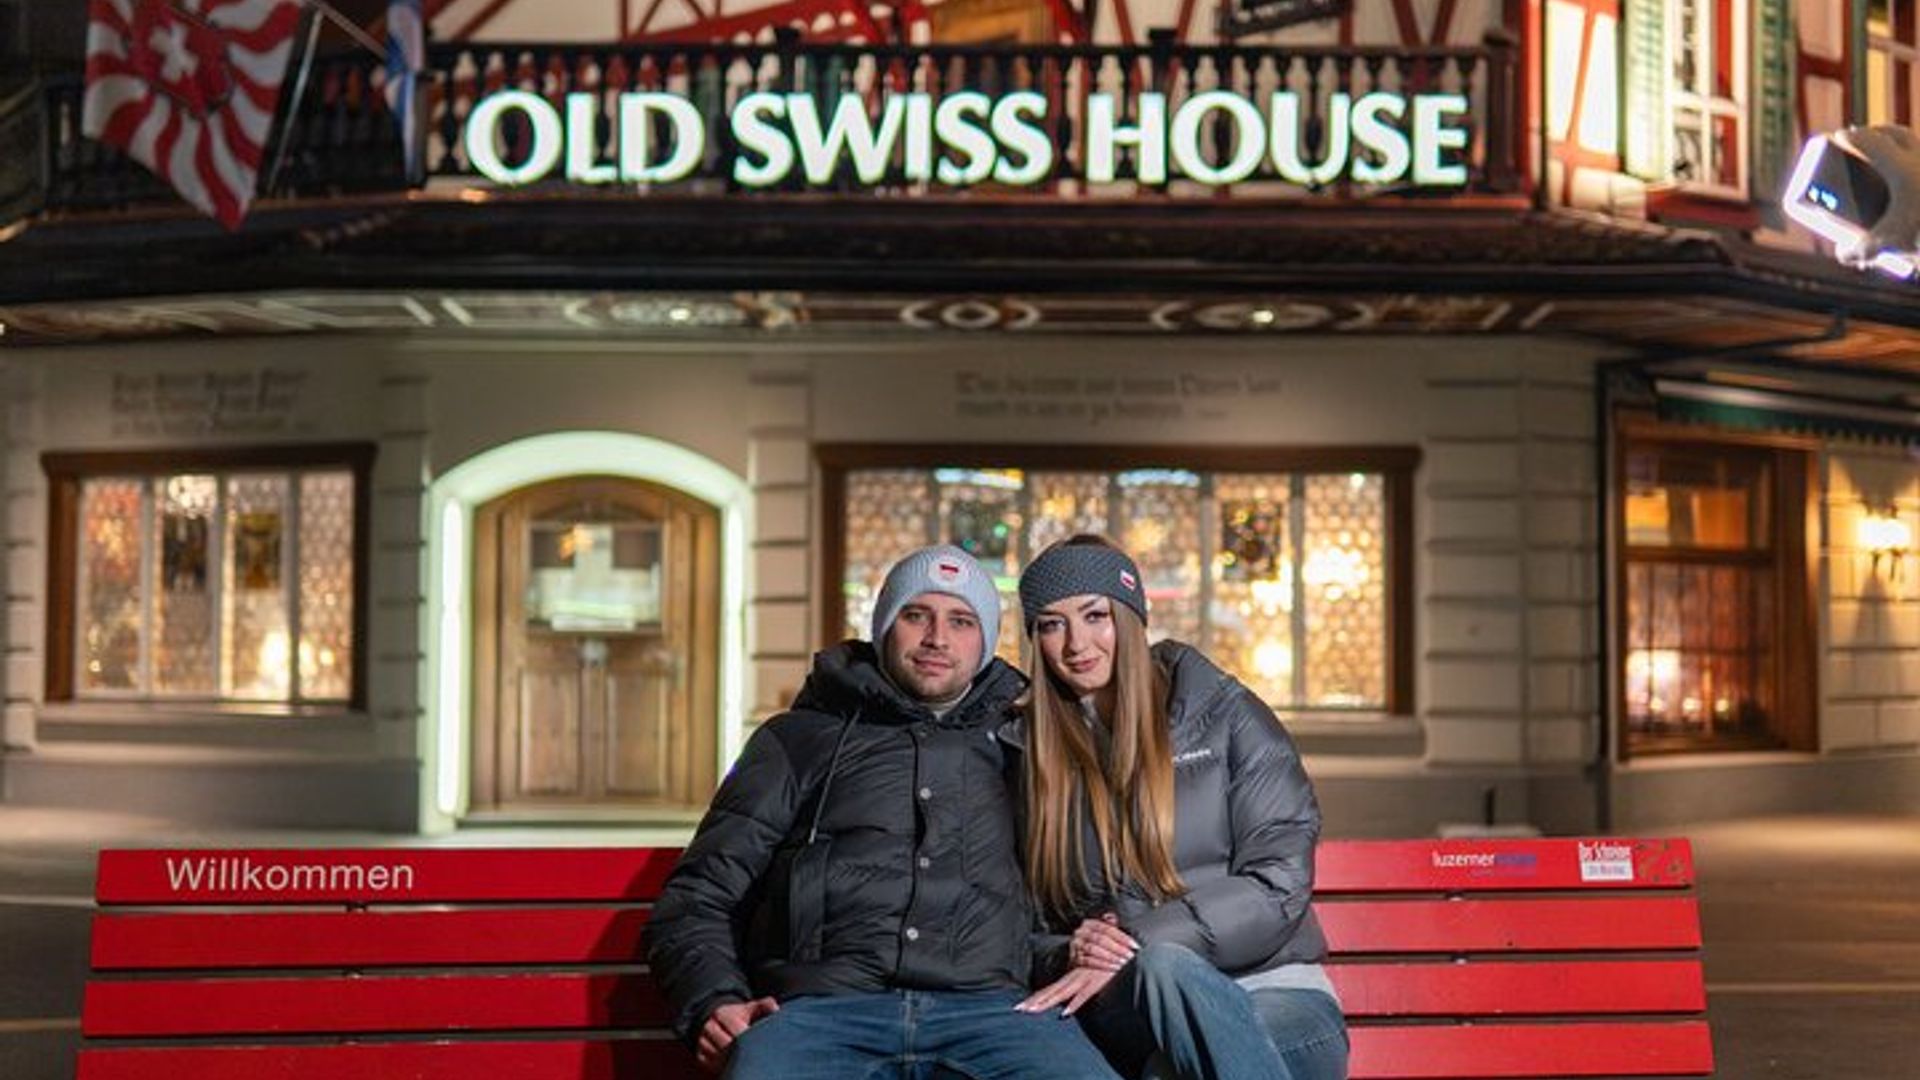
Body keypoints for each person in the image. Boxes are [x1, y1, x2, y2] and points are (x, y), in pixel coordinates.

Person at [644, 543, 1122, 1080]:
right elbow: (699, 896)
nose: (937, 638)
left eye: (961, 621)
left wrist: (1085, 946)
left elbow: (1079, 889)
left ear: (987, 643)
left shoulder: (1026, 745)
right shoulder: (796, 741)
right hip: (823, 1011)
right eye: (916, 615)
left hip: (995, 1014)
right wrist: (713, 999)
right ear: (884, 625)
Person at [1009, 535, 1349, 1080]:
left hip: (1276, 994)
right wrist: (1070, 950)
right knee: (1160, 977)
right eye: (1051, 624)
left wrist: (1139, 943)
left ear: (1129, 616)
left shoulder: (1228, 717)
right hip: (1129, 1007)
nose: (1076, 643)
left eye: (1095, 615)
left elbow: (1278, 881)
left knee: (1169, 1040)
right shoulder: (1030, 756)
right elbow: (1019, 921)